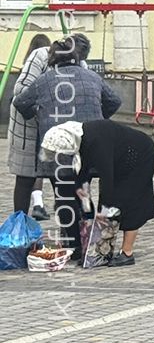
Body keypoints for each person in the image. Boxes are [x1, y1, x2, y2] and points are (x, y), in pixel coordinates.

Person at [13, 34, 121, 258]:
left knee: (64, 196)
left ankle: (74, 246)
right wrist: (99, 116)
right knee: (83, 193)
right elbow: (114, 101)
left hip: (58, 149)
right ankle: (90, 243)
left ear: (53, 59)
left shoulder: (44, 80)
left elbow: (20, 102)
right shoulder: (92, 77)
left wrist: (39, 115)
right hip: (88, 145)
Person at [38, 120, 154, 266]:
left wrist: (104, 210)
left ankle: (127, 253)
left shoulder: (97, 142)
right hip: (121, 158)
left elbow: (107, 178)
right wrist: (81, 190)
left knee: (129, 201)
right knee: (110, 204)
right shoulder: (81, 138)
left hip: (141, 154)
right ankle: (101, 253)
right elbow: (83, 170)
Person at [8, 33, 53, 219]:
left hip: (26, 127)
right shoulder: (44, 66)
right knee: (43, 171)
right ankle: (39, 204)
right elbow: (20, 97)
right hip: (35, 123)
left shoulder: (29, 68)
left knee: (26, 175)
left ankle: (24, 219)